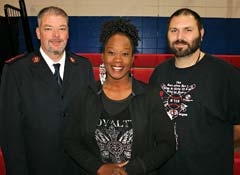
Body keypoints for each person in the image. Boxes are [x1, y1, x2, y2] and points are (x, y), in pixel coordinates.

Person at [64, 18, 176, 175]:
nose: (118, 60)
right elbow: (70, 141)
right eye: (111, 53)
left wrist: (133, 168)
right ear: (102, 56)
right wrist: (99, 167)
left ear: (132, 58)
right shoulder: (86, 95)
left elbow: (168, 144)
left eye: (125, 54)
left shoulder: (149, 96)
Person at [0, 6, 95, 175]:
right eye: (48, 29)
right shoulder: (17, 71)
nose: (56, 36)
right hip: (38, 167)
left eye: (62, 29)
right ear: (38, 33)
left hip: (78, 167)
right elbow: (10, 132)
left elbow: (90, 119)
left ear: (68, 33)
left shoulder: (83, 67)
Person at [149, 8, 240, 175]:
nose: (179, 37)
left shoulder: (226, 74)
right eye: (174, 30)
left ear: (201, 33)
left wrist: (212, 149)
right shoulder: (158, 73)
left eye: (188, 30)